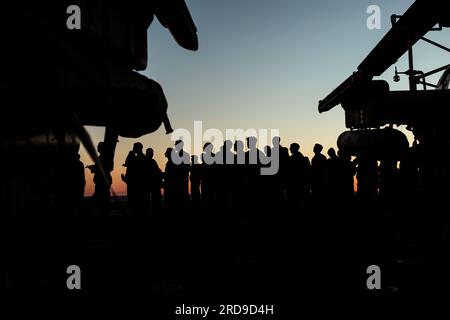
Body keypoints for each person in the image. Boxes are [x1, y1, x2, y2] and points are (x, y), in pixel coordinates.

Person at [145, 148, 162, 214]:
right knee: (153, 201)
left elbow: (157, 170)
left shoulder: (152, 161)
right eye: (151, 153)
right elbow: (157, 171)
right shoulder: (150, 161)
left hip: (151, 184)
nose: (152, 154)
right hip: (151, 184)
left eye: (152, 153)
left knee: (153, 201)